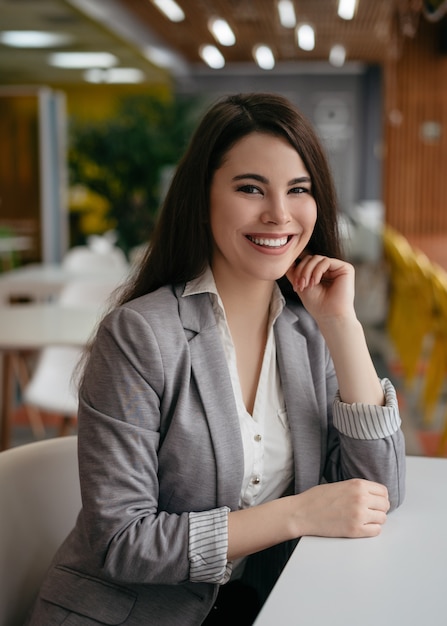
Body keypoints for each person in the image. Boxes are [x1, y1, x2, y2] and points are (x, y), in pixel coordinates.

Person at [27, 92, 406, 626]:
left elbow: (379, 492)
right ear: (201, 198)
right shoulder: (140, 336)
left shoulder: (308, 331)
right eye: (251, 188)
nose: (278, 213)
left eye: (298, 189)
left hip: (255, 606)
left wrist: (342, 326)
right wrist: (296, 513)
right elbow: (122, 541)